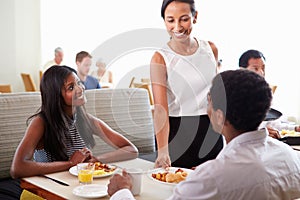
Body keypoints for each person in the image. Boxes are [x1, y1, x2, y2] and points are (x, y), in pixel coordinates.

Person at [107, 69, 300, 200]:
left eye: (208, 101)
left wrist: (122, 192)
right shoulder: (291, 157)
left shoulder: (211, 179)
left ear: (219, 116)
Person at [10, 65, 138, 179]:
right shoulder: (41, 123)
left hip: (77, 187)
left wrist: (97, 160)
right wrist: (70, 164)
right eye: (71, 87)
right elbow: (17, 168)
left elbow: (131, 150)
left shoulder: (86, 120)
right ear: (56, 96)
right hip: (46, 190)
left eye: (78, 83)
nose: (80, 89)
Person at [150, 0, 223, 169]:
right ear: (164, 21)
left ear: (195, 17)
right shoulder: (160, 58)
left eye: (184, 19)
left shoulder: (210, 49)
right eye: (170, 20)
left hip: (211, 130)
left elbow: (217, 94)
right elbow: (161, 110)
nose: (177, 26)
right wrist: (162, 151)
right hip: (178, 134)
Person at [239, 49, 300, 138]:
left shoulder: (265, 93)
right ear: (242, 70)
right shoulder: (235, 94)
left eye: (263, 68)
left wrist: (295, 128)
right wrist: (261, 132)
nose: (261, 72)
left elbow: (274, 125)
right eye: (255, 68)